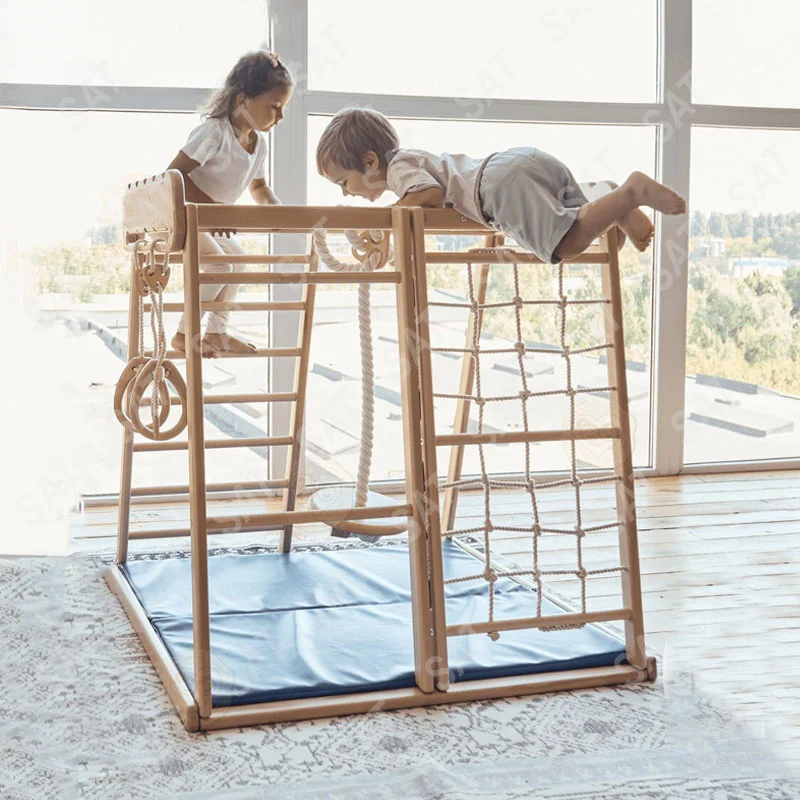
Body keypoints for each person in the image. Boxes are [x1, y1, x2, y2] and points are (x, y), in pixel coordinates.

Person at [315, 107, 686, 265]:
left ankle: (630, 193)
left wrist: (385, 221)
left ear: (370, 162)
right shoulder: (413, 160)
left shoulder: (398, 168)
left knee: (567, 244)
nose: (346, 192)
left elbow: (428, 195)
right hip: (519, 162)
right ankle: (607, 196)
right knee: (586, 223)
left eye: (344, 182)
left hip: (497, 187)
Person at [167, 50, 293, 356]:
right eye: (275, 107)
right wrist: (213, 209)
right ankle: (184, 334)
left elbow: (258, 186)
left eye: (283, 108)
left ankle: (216, 332)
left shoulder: (258, 144)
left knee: (238, 261)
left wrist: (277, 211)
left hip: (209, 223)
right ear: (243, 100)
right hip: (184, 218)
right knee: (222, 264)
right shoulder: (214, 132)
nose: (280, 117)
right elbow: (174, 175)